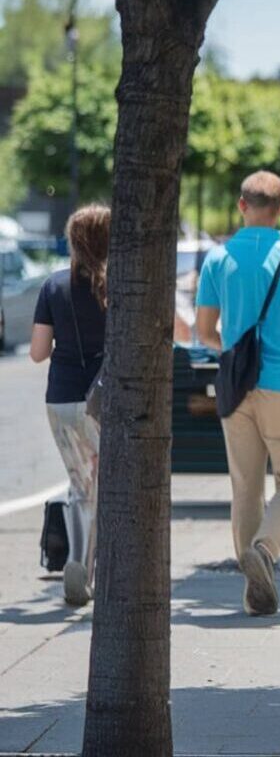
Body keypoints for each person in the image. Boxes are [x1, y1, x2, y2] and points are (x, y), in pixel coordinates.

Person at [195, 171, 280, 616]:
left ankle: (253, 590)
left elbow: (203, 331)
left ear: (241, 205)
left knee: (245, 488)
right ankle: (266, 550)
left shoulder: (218, 258)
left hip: (236, 387)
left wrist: (234, 350)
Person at [30, 204, 110, 606]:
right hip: (104, 399)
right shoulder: (118, 287)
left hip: (61, 397)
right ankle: (87, 566)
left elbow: (38, 352)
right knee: (105, 484)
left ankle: (78, 564)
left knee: (82, 486)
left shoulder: (53, 286)